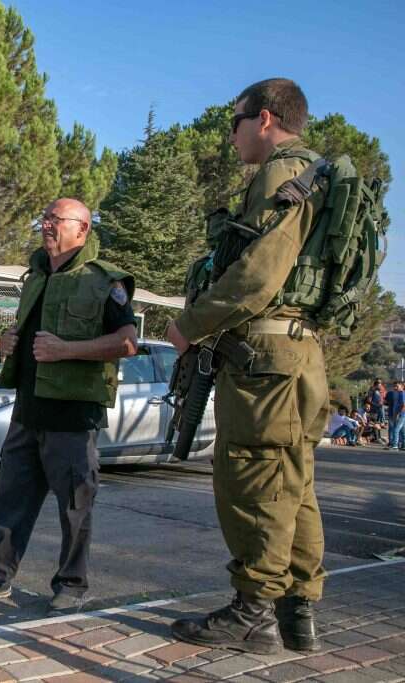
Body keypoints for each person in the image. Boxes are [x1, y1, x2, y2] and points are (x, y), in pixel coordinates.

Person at [167, 79, 330, 654]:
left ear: (263, 119)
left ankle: (253, 613)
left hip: (265, 362)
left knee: (253, 481)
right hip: (298, 355)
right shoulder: (320, 176)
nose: (231, 135)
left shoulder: (283, 174)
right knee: (294, 483)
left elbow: (259, 274)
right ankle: (297, 614)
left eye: (234, 122)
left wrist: (189, 324)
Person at [0, 197, 136, 618]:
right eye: (45, 218)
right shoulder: (35, 276)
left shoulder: (105, 281)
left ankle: (72, 584)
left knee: (75, 506)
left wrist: (67, 350)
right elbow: (25, 333)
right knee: (11, 499)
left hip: (73, 415)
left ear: (82, 229)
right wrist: (6, 341)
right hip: (27, 409)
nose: (46, 225)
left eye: (57, 219)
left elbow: (127, 342)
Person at [386, 381, 405, 451]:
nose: (395, 388)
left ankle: (395, 446)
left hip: (401, 415)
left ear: (402, 386)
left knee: (396, 430)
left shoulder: (402, 393)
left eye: (397, 386)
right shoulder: (396, 393)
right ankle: (403, 445)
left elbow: (403, 405)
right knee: (402, 431)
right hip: (397, 414)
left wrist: (398, 414)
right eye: (394, 386)